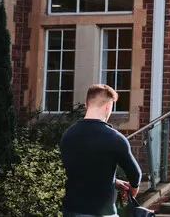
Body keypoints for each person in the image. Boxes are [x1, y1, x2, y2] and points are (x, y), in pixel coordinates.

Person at [60, 84, 141, 217]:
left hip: (71, 210)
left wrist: (114, 182)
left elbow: (81, 170)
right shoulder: (115, 138)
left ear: (86, 105)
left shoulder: (68, 134)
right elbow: (135, 174)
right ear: (108, 106)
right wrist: (133, 189)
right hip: (102, 212)